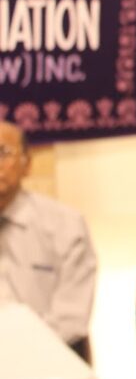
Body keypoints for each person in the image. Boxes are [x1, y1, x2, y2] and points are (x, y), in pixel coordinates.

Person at [0, 120, 97, 359]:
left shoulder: (65, 225)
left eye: (3, 152)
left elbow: (71, 317)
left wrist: (17, 351)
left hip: (47, 361)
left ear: (27, 164)